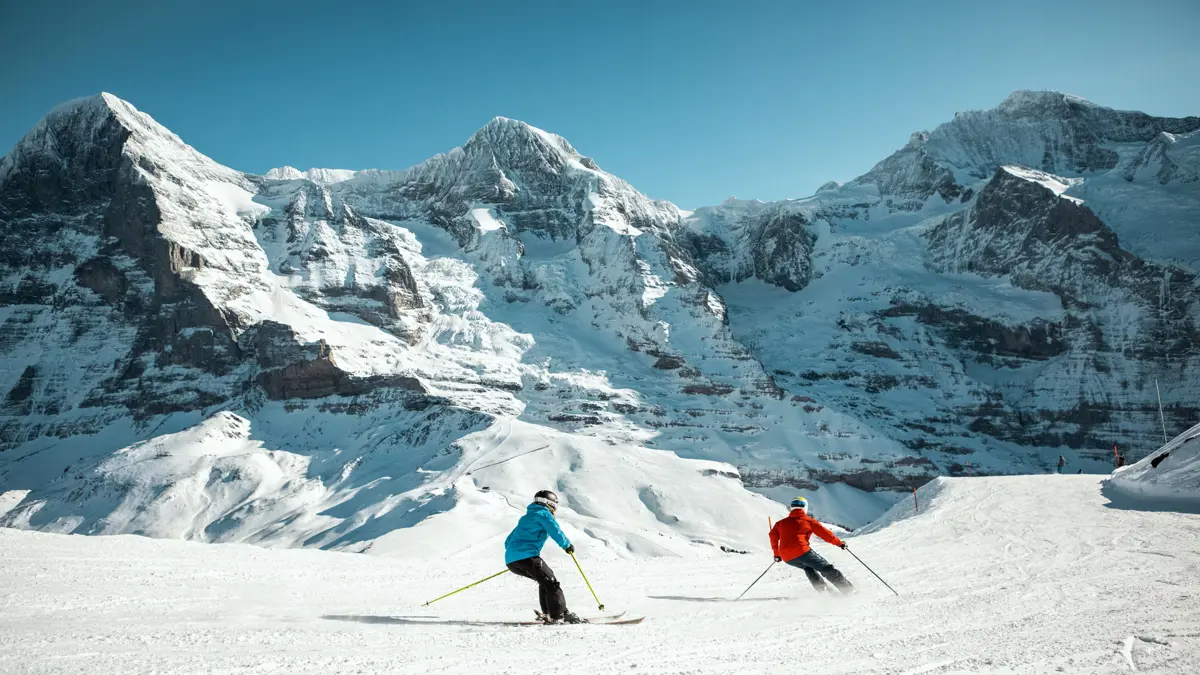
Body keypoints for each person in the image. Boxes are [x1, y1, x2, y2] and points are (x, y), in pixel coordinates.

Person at [504, 490, 584, 624]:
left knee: (545, 581)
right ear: (549, 504)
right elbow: (555, 531)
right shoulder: (543, 514)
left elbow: (508, 541)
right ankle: (558, 615)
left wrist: (516, 555)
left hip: (512, 561)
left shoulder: (526, 517)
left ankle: (549, 613)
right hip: (528, 557)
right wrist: (567, 545)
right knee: (552, 583)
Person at [770, 496, 854, 594]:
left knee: (808, 567)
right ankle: (848, 590)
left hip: (787, 557)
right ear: (805, 507)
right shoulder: (808, 521)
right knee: (826, 568)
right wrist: (840, 544)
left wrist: (777, 554)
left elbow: (772, 536)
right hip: (802, 552)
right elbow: (826, 535)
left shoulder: (780, 523)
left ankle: (824, 591)